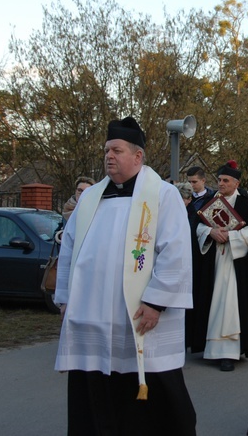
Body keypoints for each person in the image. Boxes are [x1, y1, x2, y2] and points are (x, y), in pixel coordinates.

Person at [54, 117, 196, 435]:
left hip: (141, 316)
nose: (109, 156)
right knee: (96, 391)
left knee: (157, 399)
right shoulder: (89, 199)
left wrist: (156, 301)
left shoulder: (162, 195)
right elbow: (69, 250)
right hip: (93, 316)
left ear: (137, 156)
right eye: (106, 150)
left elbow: (175, 251)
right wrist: (64, 299)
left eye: (116, 150)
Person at [192, 160, 248, 371]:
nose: (220, 183)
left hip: (234, 263)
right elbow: (197, 226)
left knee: (230, 303)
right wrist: (210, 232)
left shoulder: (245, 205)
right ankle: (210, 348)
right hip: (212, 260)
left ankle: (229, 352)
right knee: (211, 301)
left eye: (225, 180)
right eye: (219, 180)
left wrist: (231, 236)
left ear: (236, 183)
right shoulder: (211, 202)